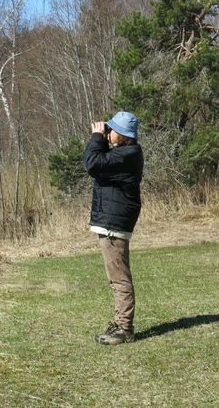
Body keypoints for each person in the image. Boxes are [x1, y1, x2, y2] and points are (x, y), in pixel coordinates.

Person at [83, 111, 143, 345]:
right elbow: (98, 164)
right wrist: (103, 138)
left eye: (112, 130)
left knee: (119, 279)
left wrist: (97, 137)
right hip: (112, 221)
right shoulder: (124, 153)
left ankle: (124, 328)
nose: (108, 132)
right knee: (116, 277)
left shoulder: (128, 154)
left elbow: (92, 164)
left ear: (124, 135)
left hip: (114, 224)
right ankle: (121, 324)